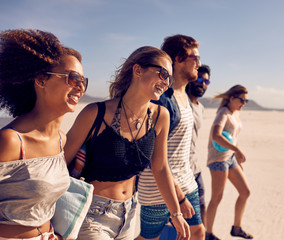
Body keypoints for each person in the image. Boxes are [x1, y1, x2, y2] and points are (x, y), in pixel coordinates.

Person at [64, 46, 190, 239]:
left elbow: (161, 168)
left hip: (129, 215)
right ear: (138, 70)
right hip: (92, 215)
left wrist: (176, 213)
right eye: (163, 74)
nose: (166, 83)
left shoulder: (160, 116)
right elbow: (61, 163)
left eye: (170, 79)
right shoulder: (95, 113)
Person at [0, 29, 87, 239]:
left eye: (84, 81)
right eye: (73, 78)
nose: (80, 87)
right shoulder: (11, 141)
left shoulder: (61, 139)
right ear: (41, 80)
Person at [137, 35, 205, 240]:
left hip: (186, 181)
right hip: (158, 189)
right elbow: (154, 158)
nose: (199, 65)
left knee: (197, 232)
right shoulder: (163, 100)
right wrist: (179, 197)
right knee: (149, 238)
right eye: (195, 58)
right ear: (178, 59)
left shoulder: (186, 96)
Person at [205, 85, 253, 240]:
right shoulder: (223, 113)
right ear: (231, 98)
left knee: (245, 192)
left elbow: (233, 137)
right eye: (241, 100)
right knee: (216, 198)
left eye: (246, 100)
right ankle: (208, 234)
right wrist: (237, 150)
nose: (244, 103)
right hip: (218, 159)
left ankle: (236, 228)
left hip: (230, 158)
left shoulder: (235, 113)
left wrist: (237, 156)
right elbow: (216, 135)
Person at [186, 64, 211, 225]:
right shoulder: (181, 103)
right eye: (199, 79)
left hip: (195, 167)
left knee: (201, 206)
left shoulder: (200, 108)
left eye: (206, 82)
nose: (202, 84)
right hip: (179, 169)